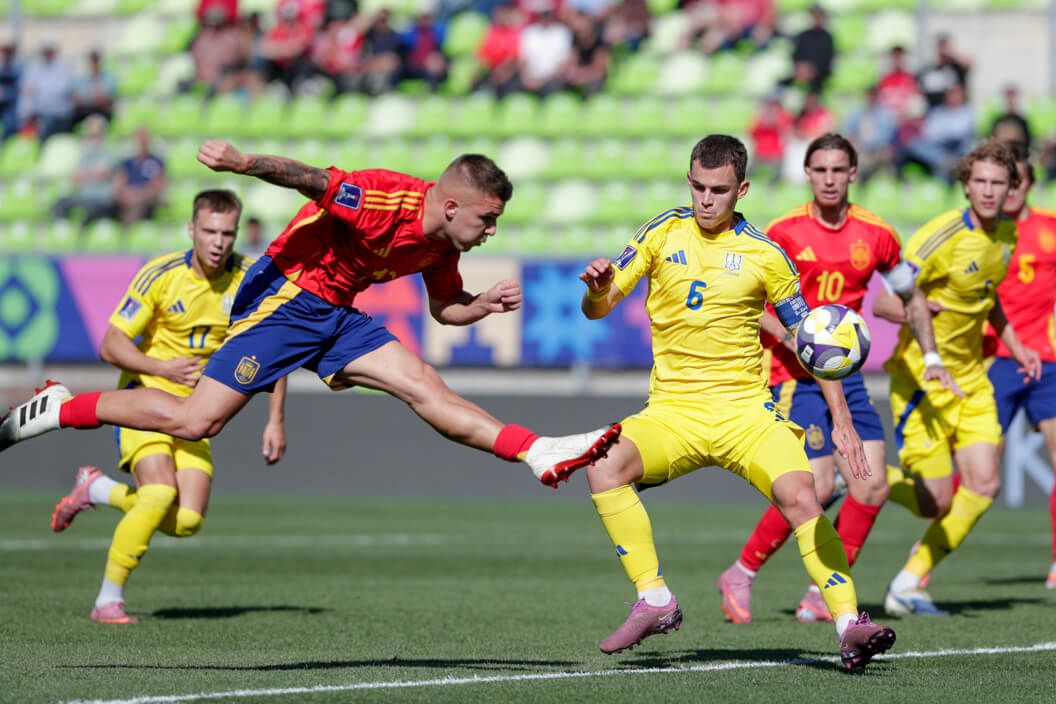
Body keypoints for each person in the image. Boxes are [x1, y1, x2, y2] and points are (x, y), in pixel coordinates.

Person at [1, 141, 621, 501]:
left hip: (336, 312)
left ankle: (535, 450)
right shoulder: (384, 198)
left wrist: (479, 305)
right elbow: (309, 179)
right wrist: (242, 163)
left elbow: (444, 308)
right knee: (195, 421)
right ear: (452, 204)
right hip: (283, 298)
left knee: (423, 385)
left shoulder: (443, 246)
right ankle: (63, 407)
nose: (490, 231)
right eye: (487, 220)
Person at [570, 134, 895, 668]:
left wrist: (842, 418)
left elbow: (813, 343)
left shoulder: (767, 255)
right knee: (603, 466)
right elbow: (596, 309)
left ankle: (848, 624)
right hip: (673, 412)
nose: (705, 199)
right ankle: (655, 598)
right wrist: (596, 288)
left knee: (804, 495)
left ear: (741, 190)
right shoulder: (661, 232)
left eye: (718, 190)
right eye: (698, 187)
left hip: (746, 414)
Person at [715, 133, 959, 625]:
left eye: (837, 170)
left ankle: (820, 592)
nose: (829, 179)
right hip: (792, 374)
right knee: (820, 485)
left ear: (852, 174)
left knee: (871, 486)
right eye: (820, 170)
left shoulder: (877, 234)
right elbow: (745, 302)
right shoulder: (783, 233)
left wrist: (929, 348)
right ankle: (740, 572)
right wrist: (791, 336)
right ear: (807, 173)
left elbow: (906, 295)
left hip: (844, 375)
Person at [49, 189, 288, 624]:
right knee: (159, 493)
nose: (218, 242)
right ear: (192, 229)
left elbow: (277, 347)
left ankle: (97, 490)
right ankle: (107, 600)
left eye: (227, 233)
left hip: (195, 412)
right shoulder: (160, 274)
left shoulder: (250, 280)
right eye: (210, 231)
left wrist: (275, 420)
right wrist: (162, 367)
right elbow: (111, 345)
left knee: (188, 520)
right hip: (143, 398)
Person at [872, 139, 1041, 615]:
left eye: (998, 183)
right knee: (937, 503)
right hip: (922, 380)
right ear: (966, 185)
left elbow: (988, 297)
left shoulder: (1006, 236)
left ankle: (908, 581)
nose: (988, 191)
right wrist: (917, 310)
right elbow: (884, 302)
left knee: (984, 485)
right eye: (979, 181)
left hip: (970, 379)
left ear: (1012, 188)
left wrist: (1016, 346)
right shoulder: (938, 237)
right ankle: (865, 480)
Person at [50, 114, 119, 228]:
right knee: (60, 204)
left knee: (91, 214)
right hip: (83, 196)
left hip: (101, 199)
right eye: (90, 134)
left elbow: (102, 173)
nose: (92, 138)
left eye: (95, 134)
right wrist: (92, 174)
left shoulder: (109, 152)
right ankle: (62, 231)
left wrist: (86, 174)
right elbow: (76, 177)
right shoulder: (83, 152)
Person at [114, 127, 167, 226]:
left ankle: (129, 229)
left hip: (147, 197)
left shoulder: (156, 161)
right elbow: (120, 182)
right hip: (129, 197)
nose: (142, 142)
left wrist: (138, 196)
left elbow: (157, 185)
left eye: (144, 139)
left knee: (138, 207)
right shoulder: (127, 162)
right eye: (139, 139)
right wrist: (127, 195)